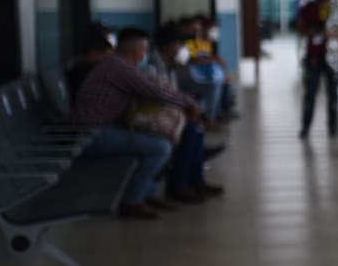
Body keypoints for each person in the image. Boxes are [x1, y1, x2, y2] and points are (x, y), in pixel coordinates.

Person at [71, 27, 201, 219]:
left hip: (99, 129)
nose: (145, 54)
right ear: (136, 52)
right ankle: (132, 201)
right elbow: (153, 91)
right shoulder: (120, 67)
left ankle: (148, 194)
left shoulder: (114, 64)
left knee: (157, 136)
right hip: (92, 134)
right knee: (160, 147)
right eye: (145, 50)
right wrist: (189, 102)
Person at [143, 23, 224, 204]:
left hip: (166, 113)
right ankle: (178, 186)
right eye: (179, 44)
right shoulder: (153, 67)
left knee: (196, 126)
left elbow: (173, 93)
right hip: (153, 115)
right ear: (168, 45)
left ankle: (195, 181)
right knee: (189, 129)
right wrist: (187, 106)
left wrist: (188, 106)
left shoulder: (169, 64)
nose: (182, 48)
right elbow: (160, 96)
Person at [296, 0, 338, 139]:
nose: (323, 6)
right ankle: (305, 127)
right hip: (314, 57)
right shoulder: (308, 9)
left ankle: (333, 128)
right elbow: (300, 28)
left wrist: (332, 34)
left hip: (333, 56)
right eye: (320, 3)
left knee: (333, 94)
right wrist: (313, 31)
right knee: (310, 93)